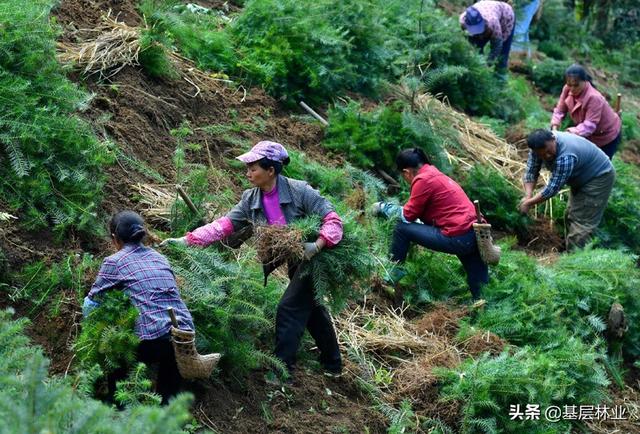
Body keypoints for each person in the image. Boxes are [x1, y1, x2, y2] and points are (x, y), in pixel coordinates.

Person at [161, 141, 343, 382]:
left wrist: (318, 244)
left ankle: (281, 372)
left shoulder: (301, 191)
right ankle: (333, 364)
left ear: (271, 170)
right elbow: (223, 225)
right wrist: (187, 240)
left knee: (289, 308)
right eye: (247, 167)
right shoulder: (251, 199)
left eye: (253, 167)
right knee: (312, 310)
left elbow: (333, 220)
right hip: (296, 261)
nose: (247, 173)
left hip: (316, 261)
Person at [83, 210, 194, 405]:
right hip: (183, 334)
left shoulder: (114, 262)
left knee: (117, 347)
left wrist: (93, 333)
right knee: (169, 398)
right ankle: (167, 418)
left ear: (114, 239)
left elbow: (92, 302)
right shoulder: (160, 258)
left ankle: (117, 406)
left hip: (150, 339)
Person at [374, 148, 489, 302]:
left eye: (404, 176)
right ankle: (483, 310)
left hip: (457, 236)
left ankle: (391, 278)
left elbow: (408, 215)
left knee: (401, 229)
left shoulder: (423, 180)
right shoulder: (435, 174)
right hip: (472, 233)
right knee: (480, 285)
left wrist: (382, 207)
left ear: (406, 172)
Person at [519, 129, 615, 250]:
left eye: (549, 151)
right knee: (571, 214)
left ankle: (575, 260)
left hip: (598, 177)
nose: (547, 156)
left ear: (553, 139)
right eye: (542, 155)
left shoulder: (566, 156)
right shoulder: (537, 149)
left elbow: (552, 188)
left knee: (582, 222)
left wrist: (529, 203)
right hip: (581, 176)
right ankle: (572, 248)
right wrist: (528, 195)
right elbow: (531, 171)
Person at [551, 64, 622, 159]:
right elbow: (560, 110)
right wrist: (555, 126)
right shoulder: (567, 89)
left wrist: (568, 132)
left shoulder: (594, 98)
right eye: (569, 85)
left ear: (584, 81)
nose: (572, 88)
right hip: (588, 134)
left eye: (576, 85)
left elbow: (589, 126)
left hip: (606, 135)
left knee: (599, 166)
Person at [459, 1, 515, 77]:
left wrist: (488, 63)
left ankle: (500, 79)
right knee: (476, 47)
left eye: (477, 29)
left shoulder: (492, 22)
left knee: (502, 54)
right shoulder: (463, 19)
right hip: (488, 11)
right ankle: (476, 72)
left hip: (507, 17)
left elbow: (497, 46)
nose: (475, 32)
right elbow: (468, 40)